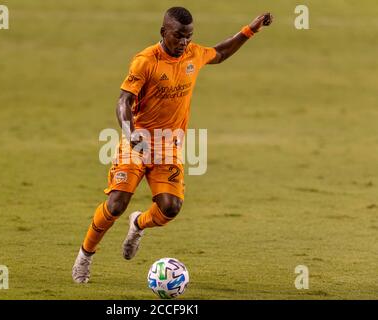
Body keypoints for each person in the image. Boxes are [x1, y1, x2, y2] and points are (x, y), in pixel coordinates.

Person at [72, 6, 273, 283]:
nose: (183, 42)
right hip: (138, 141)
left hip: (168, 147)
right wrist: (130, 133)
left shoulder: (193, 54)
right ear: (163, 32)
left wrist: (251, 29)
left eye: (188, 36)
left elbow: (221, 52)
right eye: (178, 36)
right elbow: (123, 101)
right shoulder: (145, 61)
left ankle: (138, 223)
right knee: (117, 203)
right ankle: (85, 255)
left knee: (170, 208)